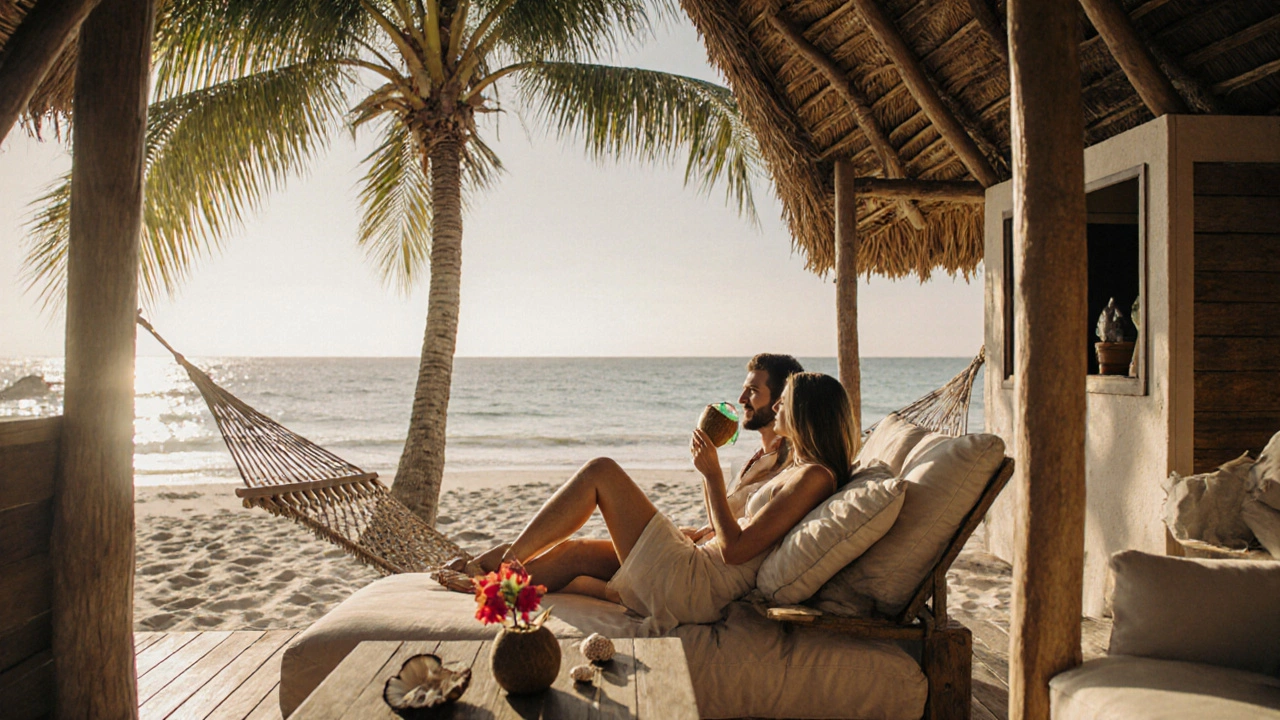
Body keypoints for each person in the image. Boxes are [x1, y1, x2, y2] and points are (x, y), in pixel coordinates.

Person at [459, 370, 859, 634]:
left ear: (807, 412)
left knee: (601, 471)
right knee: (574, 551)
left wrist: (713, 475)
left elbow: (737, 550)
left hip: (694, 586)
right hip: (698, 566)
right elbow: (738, 536)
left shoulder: (814, 477)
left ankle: (506, 567)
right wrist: (707, 485)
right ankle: (497, 586)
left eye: (784, 400)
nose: (775, 408)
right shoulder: (803, 470)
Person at [681, 353, 805, 543]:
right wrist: (706, 470)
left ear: (782, 400)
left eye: (753, 391)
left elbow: (737, 540)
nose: (741, 398)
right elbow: (720, 521)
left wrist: (712, 474)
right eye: (744, 389)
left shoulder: (786, 468)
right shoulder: (757, 457)